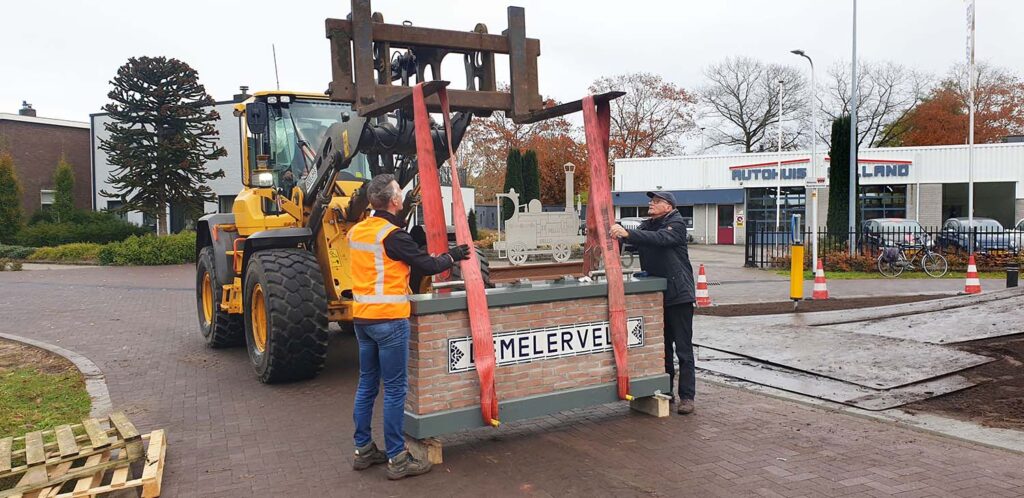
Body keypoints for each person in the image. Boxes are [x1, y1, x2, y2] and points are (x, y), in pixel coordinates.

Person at [348, 174, 470, 479]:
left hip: (362, 320)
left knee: (366, 385)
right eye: (400, 192)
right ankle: (397, 459)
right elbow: (427, 265)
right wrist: (453, 255)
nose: (403, 194)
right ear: (393, 201)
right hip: (389, 320)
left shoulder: (358, 231)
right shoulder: (393, 236)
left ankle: (363, 449)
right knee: (394, 390)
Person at [610, 191, 696, 415]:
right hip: (659, 297)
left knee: (683, 350)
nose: (651, 203)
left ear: (668, 207)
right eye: (651, 200)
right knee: (663, 348)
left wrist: (628, 233)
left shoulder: (676, 225)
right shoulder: (649, 225)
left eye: (656, 201)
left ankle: (687, 397)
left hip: (679, 295)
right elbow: (636, 241)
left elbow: (659, 239)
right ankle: (667, 392)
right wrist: (615, 233)